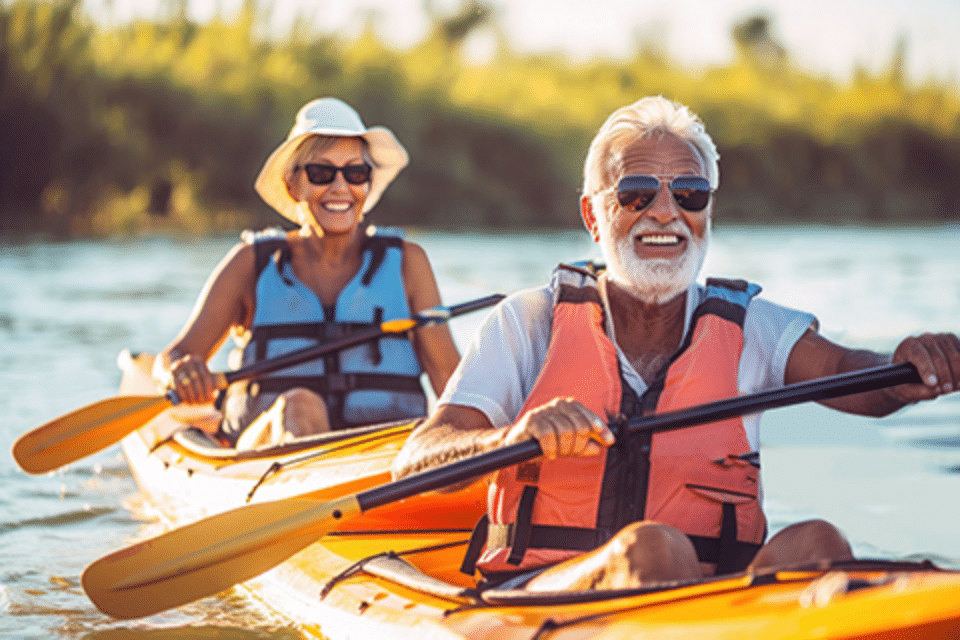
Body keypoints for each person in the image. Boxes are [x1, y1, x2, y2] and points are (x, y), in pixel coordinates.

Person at [390, 95, 960, 591]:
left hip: (712, 599)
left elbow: (856, 374)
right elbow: (417, 461)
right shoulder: (528, 323)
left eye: (689, 193)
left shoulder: (752, 327)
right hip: (543, 591)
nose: (666, 211)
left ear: (707, 211)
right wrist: (513, 438)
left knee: (819, 541)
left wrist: (911, 368)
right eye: (637, 192)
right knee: (654, 551)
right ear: (593, 215)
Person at [154, 97, 460, 449]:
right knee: (301, 405)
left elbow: (452, 381)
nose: (340, 187)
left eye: (355, 173)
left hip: (383, 457)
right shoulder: (251, 263)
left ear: (367, 184)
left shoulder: (409, 263)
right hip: (264, 459)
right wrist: (179, 372)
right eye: (321, 173)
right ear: (293, 184)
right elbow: (174, 356)